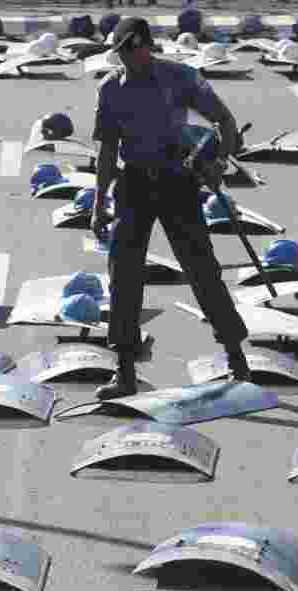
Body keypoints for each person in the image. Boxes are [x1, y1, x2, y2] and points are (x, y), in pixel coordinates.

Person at [90, 16, 251, 400]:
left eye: (131, 50)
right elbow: (107, 151)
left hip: (177, 182)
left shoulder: (182, 77)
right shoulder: (111, 88)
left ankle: (235, 356)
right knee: (124, 275)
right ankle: (124, 369)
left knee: (202, 270)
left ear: (147, 45)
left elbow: (225, 122)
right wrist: (99, 203)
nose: (126, 59)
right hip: (133, 186)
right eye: (120, 53)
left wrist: (219, 161)